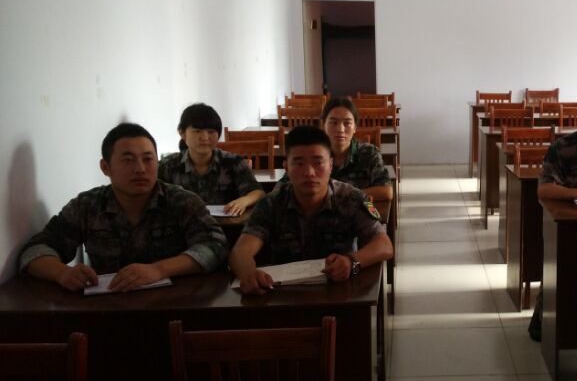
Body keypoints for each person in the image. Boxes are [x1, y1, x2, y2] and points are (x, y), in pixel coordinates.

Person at [19, 123, 228, 292]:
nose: (140, 169)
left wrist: (159, 269)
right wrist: (62, 273)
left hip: (176, 306)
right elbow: (35, 250)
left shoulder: (181, 201)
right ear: (105, 167)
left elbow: (216, 246)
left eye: (148, 159)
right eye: (128, 160)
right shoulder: (88, 206)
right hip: (109, 309)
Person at [229, 125, 394, 294]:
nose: (309, 172)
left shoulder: (351, 198)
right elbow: (240, 251)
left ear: (331, 165)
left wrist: (351, 261)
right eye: (299, 163)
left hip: (340, 291)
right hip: (283, 294)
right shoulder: (271, 203)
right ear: (286, 167)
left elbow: (384, 245)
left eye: (318, 163)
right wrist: (248, 273)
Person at [158, 103, 264, 216]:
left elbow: (258, 192)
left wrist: (244, 201)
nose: (205, 137)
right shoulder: (167, 166)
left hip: (227, 225)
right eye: (197, 131)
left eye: (211, 131)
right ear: (182, 133)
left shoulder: (234, 162)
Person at [320, 97, 393, 200]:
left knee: (371, 209)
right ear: (323, 125)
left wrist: (347, 195)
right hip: (325, 208)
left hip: (363, 206)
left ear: (355, 127)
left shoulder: (368, 153)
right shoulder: (315, 155)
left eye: (347, 123)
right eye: (334, 123)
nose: (340, 129)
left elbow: (386, 192)